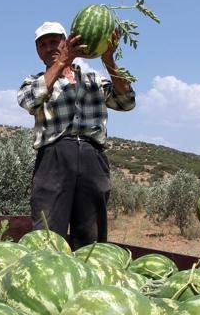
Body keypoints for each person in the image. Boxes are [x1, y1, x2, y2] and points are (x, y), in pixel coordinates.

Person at [17, 21, 136, 250]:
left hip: (93, 156)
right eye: (42, 44)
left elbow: (126, 101)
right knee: (47, 234)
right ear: (38, 52)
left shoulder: (94, 77)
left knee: (91, 234)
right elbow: (29, 100)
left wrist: (108, 60)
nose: (49, 47)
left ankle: (89, 278)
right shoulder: (34, 81)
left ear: (66, 41)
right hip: (54, 157)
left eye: (54, 41)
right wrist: (63, 61)